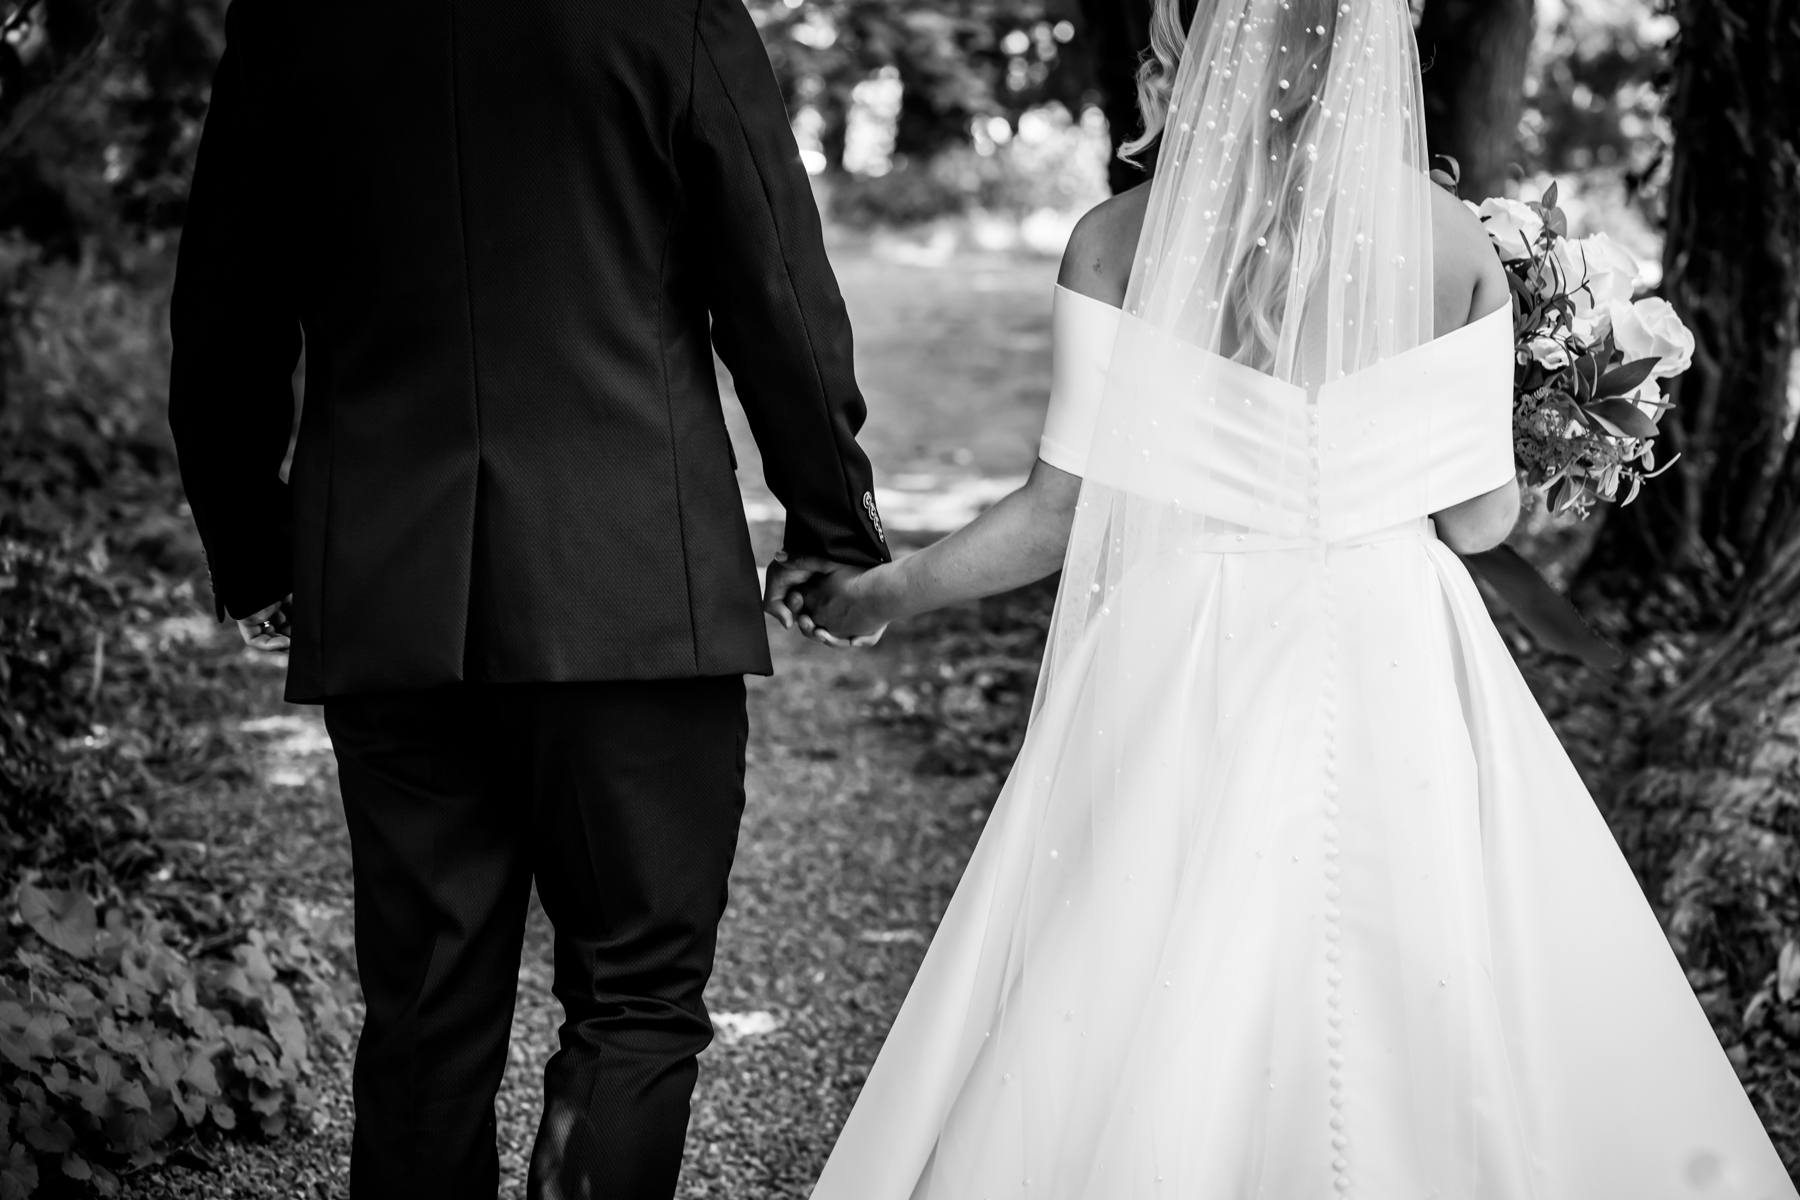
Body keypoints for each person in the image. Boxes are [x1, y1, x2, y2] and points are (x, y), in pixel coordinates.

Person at [778, 0, 1800, 1195]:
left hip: (1187, 631)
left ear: (1211, 45)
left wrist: (887, 591)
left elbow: (1059, 511)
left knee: (1149, 950)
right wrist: (1535, 416)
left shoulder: (1116, 240)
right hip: (1394, 638)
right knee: (1429, 949)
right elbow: (1478, 523)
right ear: (1380, 50)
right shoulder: (1457, 247)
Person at [166, 2, 887, 1197]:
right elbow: (777, 287)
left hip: (390, 585)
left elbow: (222, 316)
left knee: (424, 1010)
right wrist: (831, 524)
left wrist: (255, 551)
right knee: (639, 997)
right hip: (635, 586)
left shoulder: (292, 22)